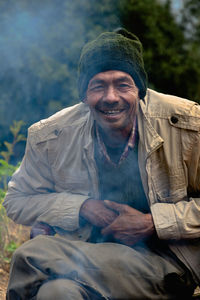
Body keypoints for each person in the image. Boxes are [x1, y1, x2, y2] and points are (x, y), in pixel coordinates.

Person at [3, 28, 200, 300]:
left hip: (166, 265)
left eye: (122, 84)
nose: (110, 97)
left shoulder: (187, 123)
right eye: (98, 86)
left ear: (140, 90)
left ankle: (37, 259)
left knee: (30, 255)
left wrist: (153, 222)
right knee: (57, 292)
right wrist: (81, 207)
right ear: (84, 95)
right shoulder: (53, 135)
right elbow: (16, 200)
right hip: (85, 258)